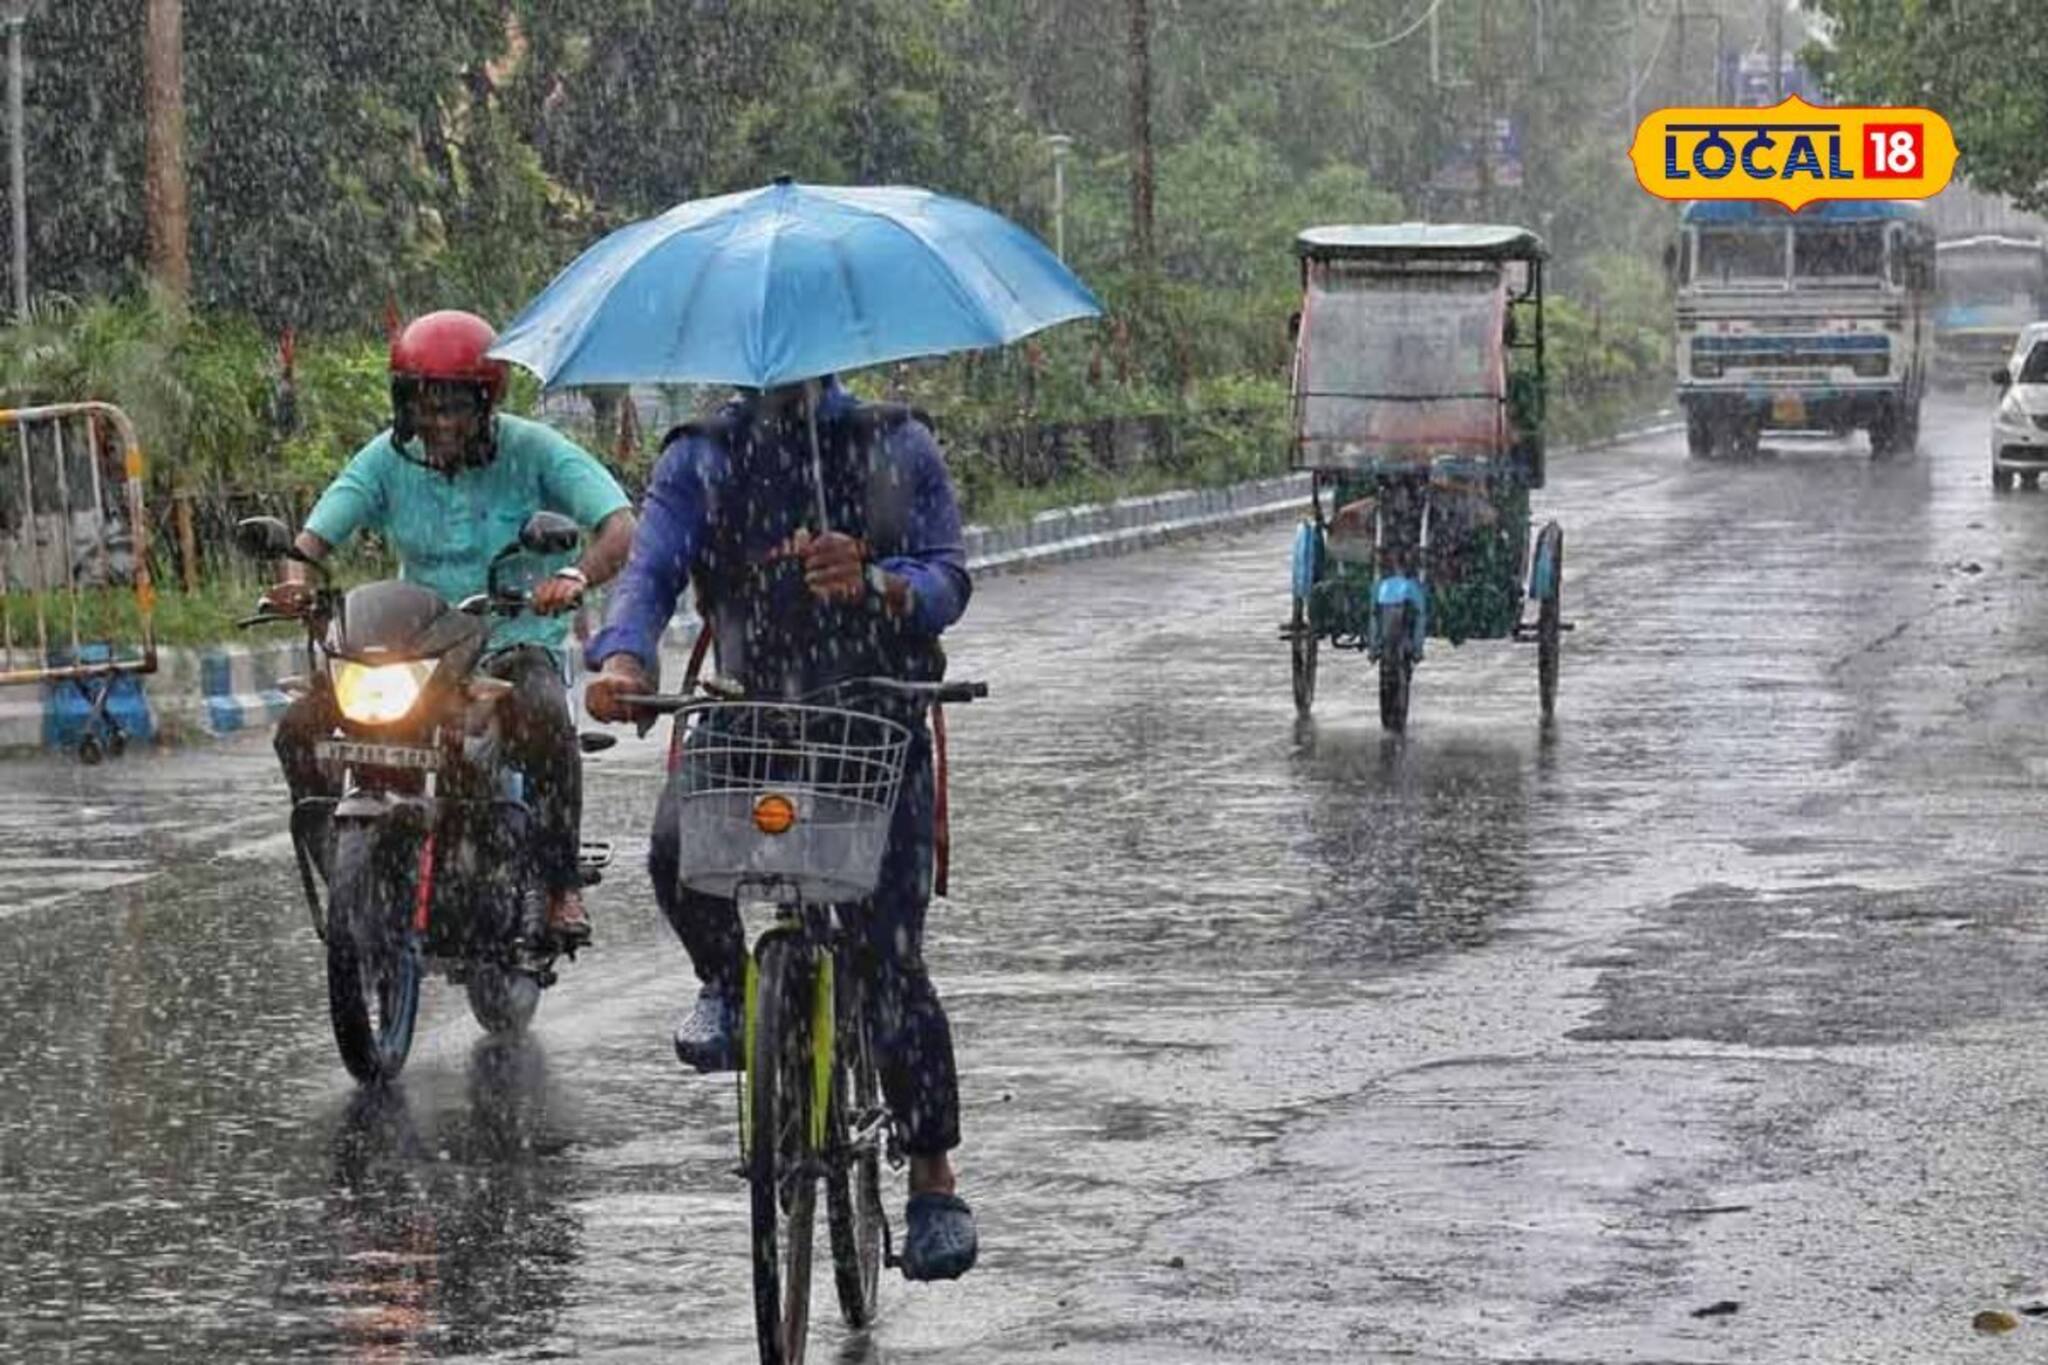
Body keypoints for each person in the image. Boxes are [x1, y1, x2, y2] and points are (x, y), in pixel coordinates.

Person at [582, 375, 980, 1282]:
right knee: (677, 852)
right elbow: (649, 573)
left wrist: (880, 581)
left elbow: (947, 574)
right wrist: (622, 655)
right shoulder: (702, 455)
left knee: (888, 958)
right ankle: (727, 981)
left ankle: (931, 1176)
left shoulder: (896, 444)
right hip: (749, 712)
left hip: (874, 725)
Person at [267, 309, 637, 943]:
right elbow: (312, 540)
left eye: (455, 408)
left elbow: (619, 525)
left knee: (545, 716)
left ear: (487, 404)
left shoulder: (536, 450)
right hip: (419, 647)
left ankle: (557, 884)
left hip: (513, 639)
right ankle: (342, 861)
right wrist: (296, 586)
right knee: (299, 728)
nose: (439, 422)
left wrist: (573, 576)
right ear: (404, 404)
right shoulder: (385, 459)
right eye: (424, 405)